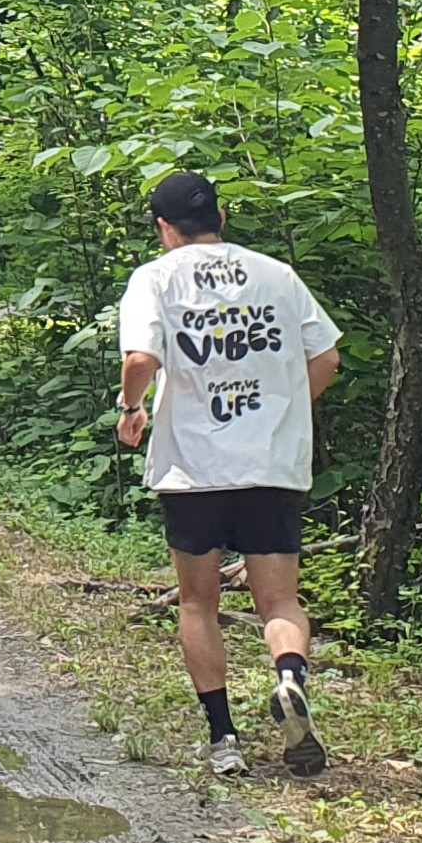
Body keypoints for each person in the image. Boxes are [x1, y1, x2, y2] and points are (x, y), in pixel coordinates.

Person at [113, 168, 342, 779]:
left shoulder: (155, 279)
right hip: (270, 463)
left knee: (198, 602)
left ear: (164, 228)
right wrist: (283, 408)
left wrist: (130, 408)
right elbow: (327, 358)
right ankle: (289, 678)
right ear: (221, 218)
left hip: (194, 469)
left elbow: (141, 358)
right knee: (280, 601)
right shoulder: (276, 275)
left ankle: (224, 741)